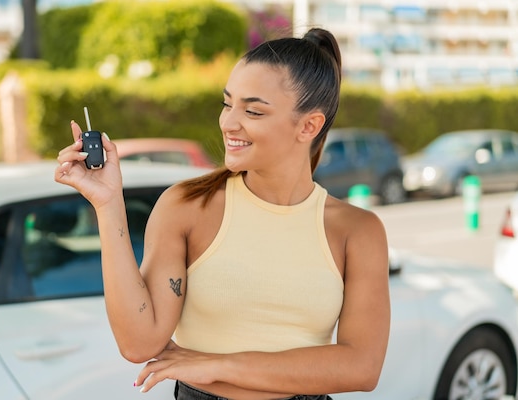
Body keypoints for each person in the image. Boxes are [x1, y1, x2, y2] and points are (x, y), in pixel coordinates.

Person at [55, 27, 390, 400]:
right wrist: (108, 206)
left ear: (309, 125)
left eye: (253, 110)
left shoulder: (357, 231)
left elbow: (362, 367)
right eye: (227, 103)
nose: (229, 123)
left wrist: (217, 365)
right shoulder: (186, 207)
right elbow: (138, 342)